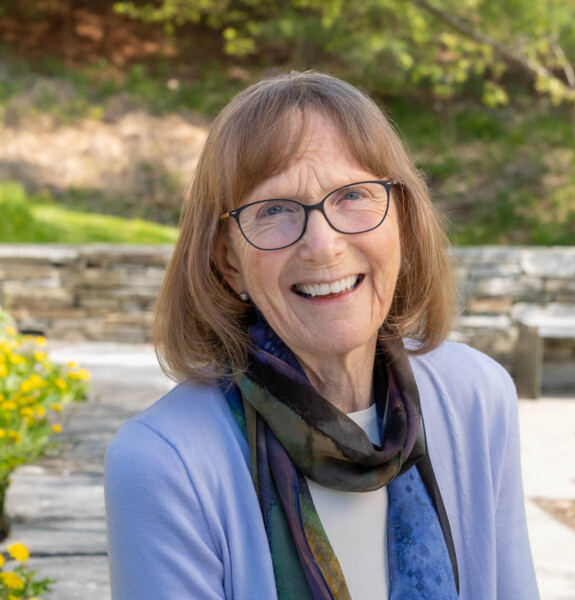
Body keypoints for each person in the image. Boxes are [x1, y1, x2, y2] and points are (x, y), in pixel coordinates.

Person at [104, 71, 539, 600]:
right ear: (228, 261)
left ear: (400, 218)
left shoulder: (478, 397)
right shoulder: (164, 462)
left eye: (353, 195)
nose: (323, 245)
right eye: (274, 211)